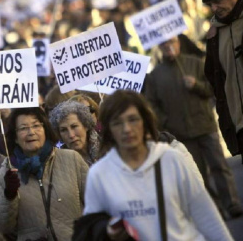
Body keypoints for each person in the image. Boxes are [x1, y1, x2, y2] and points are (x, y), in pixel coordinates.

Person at [83, 90, 233, 240]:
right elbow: (91, 228)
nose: (127, 129)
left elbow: (207, 216)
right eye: (117, 123)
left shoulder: (171, 159)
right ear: (108, 129)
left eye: (133, 119)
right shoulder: (99, 175)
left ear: (145, 121)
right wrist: (108, 231)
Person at [145, 36, 242, 218]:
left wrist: (196, 85)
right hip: (181, 135)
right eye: (164, 44)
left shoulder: (196, 63)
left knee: (219, 167)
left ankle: (232, 203)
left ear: (178, 43)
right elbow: (152, 105)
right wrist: (165, 122)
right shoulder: (155, 76)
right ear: (159, 47)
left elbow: (213, 89)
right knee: (197, 176)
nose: (169, 46)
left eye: (172, 42)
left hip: (205, 126)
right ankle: (213, 209)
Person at [0, 107, 88, 240]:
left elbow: (95, 203)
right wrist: (9, 196)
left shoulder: (72, 159)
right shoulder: (6, 174)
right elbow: (2, 227)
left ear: (45, 130)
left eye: (36, 125)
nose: (31, 132)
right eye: (23, 128)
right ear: (15, 137)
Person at [203, 0, 243, 163]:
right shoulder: (214, 34)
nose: (214, 8)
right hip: (239, 126)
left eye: (217, 1)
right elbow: (213, 78)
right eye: (210, 4)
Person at [49, 100, 102, 166]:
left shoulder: (107, 147)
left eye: (74, 126)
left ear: (86, 125)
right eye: (63, 130)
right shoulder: (58, 161)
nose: (71, 135)